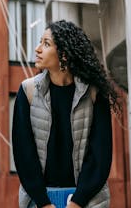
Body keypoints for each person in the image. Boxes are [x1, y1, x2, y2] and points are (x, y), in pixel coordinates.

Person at [12, 20, 120, 208]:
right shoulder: (28, 91)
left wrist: (78, 201)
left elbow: (100, 154)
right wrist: (43, 203)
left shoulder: (94, 93)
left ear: (63, 54)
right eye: (40, 42)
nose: (37, 49)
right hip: (40, 200)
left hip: (88, 200)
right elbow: (24, 154)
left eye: (46, 44)